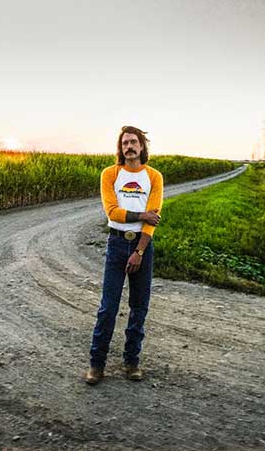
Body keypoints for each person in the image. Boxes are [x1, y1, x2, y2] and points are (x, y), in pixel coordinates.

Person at [85, 125, 163, 385]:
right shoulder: (110, 174)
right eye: (125, 143)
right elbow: (113, 212)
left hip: (143, 246)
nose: (129, 147)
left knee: (139, 307)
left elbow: (153, 220)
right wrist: (142, 215)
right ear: (120, 148)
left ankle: (132, 362)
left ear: (142, 146)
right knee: (108, 308)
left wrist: (139, 251)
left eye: (133, 142)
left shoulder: (153, 176)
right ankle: (97, 365)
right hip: (117, 244)